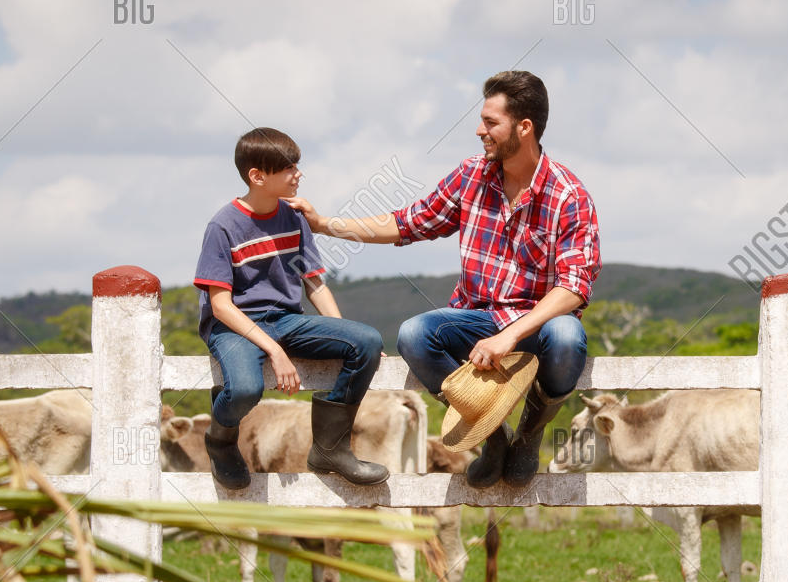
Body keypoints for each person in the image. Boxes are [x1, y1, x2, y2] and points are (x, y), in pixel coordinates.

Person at [289, 70, 600, 487]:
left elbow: (573, 286)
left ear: (524, 127)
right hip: (477, 319)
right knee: (415, 334)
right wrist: (326, 224)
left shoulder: (568, 194)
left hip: (537, 324)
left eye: (491, 122)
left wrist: (509, 336)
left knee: (566, 337)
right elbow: (407, 224)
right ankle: (493, 435)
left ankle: (528, 433)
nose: (479, 130)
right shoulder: (471, 175)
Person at [193, 127, 388, 490]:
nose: (298, 175)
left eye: (297, 166)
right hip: (236, 325)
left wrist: (343, 333)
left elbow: (313, 281)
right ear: (257, 176)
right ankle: (220, 439)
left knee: (366, 341)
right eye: (289, 168)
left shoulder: (294, 217)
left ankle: (330, 448)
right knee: (247, 389)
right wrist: (275, 351)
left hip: (285, 319)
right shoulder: (222, 226)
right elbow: (220, 306)